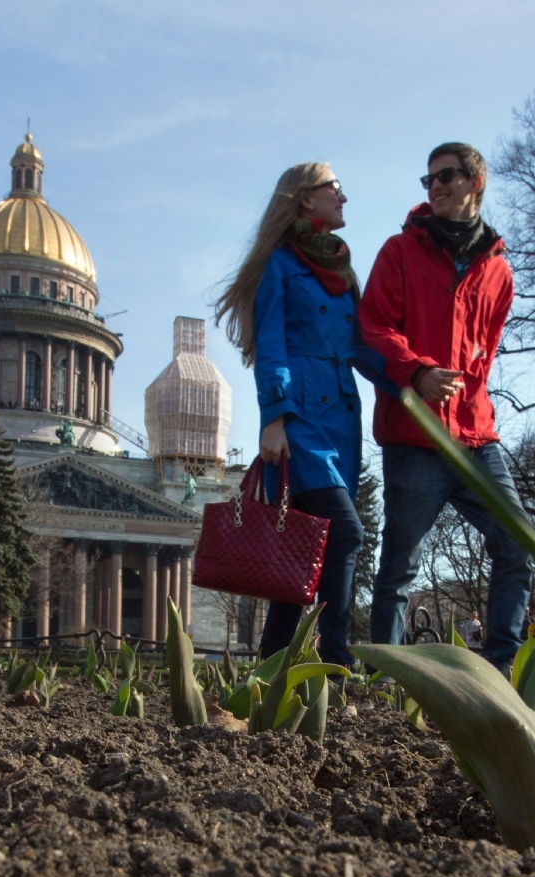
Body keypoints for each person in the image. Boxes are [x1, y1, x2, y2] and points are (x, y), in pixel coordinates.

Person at [359, 142, 535, 670]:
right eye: (428, 179)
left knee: (517, 546)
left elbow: (485, 355)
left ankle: (500, 674)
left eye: (447, 177)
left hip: (477, 438)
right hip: (416, 439)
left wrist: (468, 405)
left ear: (475, 183)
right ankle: (386, 680)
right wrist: (416, 372)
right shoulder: (398, 252)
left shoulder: (500, 273)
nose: (435, 187)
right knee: (398, 570)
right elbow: (372, 328)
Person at [214, 162, 369, 668]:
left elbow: (365, 349)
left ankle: (268, 669)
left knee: (300, 552)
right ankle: (337, 661)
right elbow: (272, 347)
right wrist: (274, 417)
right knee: (344, 533)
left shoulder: (343, 270)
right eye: (335, 188)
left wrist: (414, 377)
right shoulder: (281, 266)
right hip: (301, 419)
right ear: (305, 198)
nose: (344, 198)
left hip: (341, 421)